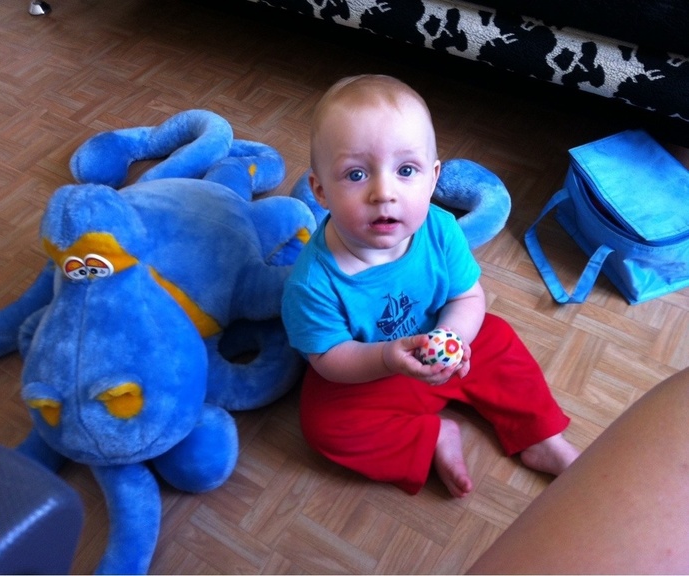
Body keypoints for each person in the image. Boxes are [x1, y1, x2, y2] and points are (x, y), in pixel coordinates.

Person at [281, 74, 579, 498]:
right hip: (370, 372)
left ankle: (541, 437)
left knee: (499, 339)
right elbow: (328, 358)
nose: (383, 193)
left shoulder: (440, 230)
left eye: (406, 170)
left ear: (433, 177)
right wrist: (386, 358)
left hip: (445, 351)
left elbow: (467, 296)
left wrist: (454, 336)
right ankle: (433, 435)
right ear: (320, 190)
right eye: (356, 174)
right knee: (324, 426)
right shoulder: (312, 283)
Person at [468, 366, 689, 573]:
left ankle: (540, 438)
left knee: (510, 367)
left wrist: (462, 337)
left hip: (461, 353)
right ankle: (445, 429)